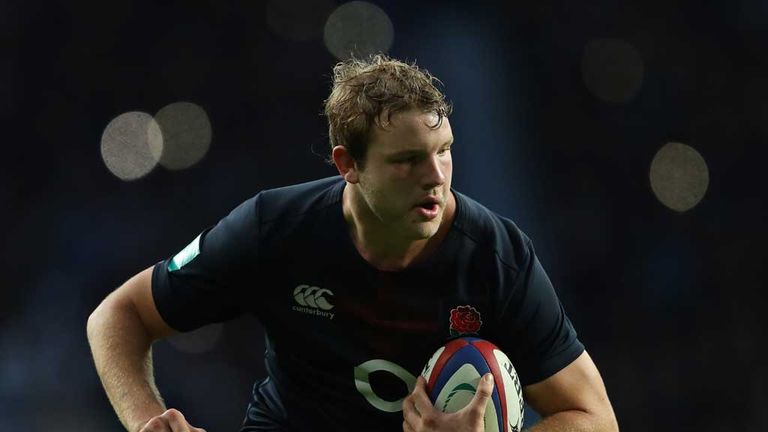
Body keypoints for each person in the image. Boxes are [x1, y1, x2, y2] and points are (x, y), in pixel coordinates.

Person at [87, 54, 618, 432]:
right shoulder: (274, 228)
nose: (436, 176)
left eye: (445, 150)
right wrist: (146, 423)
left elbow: (595, 417)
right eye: (408, 160)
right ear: (349, 166)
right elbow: (117, 315)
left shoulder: (498, 257)